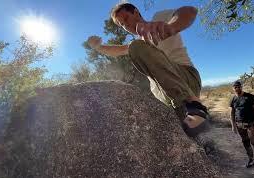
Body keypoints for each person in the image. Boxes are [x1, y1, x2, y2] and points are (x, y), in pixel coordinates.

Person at [87, 3, 209, 138]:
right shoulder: (140, 43)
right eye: (122, 25)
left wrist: (170, 27)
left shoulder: (160, 18)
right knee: (187, 134)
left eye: (126, 19)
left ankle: (194, 106)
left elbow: (189, 11)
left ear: (136, 12)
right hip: (165, 97)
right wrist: (98, 47)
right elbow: (118, 50)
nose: (126, 26)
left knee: (136, 47)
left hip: (187, 79)